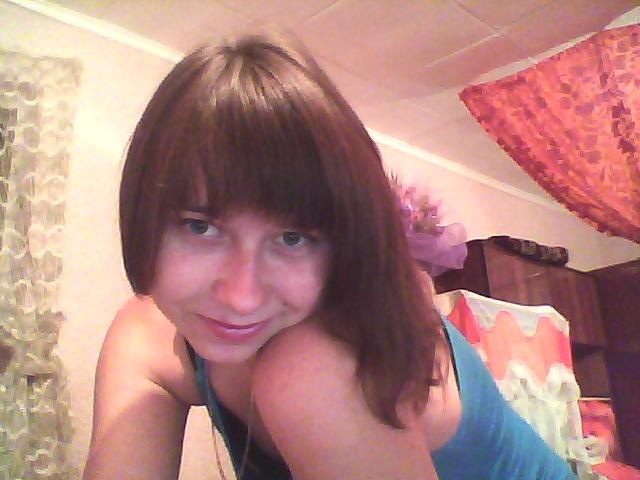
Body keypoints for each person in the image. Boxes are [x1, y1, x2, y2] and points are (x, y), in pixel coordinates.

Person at [83, 33, 578, 480]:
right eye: (200, 227)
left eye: (292, 238)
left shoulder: (318, 364)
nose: (241, 296)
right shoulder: (146, 333)